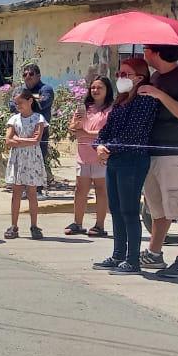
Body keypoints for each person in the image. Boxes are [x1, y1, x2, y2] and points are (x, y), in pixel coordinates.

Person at [139, 44, 178, 278]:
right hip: (152, 150)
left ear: (156, 52)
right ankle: (154, 253)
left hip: (175, 152)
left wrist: (160, 95)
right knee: (156, 206)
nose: (143, 53)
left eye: (146, 49)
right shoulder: (156, 76)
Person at [92, 58, 161, 275]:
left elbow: (132, 135)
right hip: (115, 159)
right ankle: (118, 254)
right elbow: (106, 130)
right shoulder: (120, 101)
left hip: (132, 159)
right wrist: (99, 145)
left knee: (129, 211)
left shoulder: (145, 101)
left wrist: (107, 147)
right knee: (116, 210)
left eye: (126, 74)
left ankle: (133, 260)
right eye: (119, 73)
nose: (121, 78)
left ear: (140, 78)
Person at [65, 77, 113, 237]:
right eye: (93, 87)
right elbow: (73, 129)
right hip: (83, 154)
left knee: (101, 190)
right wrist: (76, 125)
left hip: (101, 156)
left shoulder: (111, 110)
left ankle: (99, 225)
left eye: (99, 87)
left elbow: (106, 133)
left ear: (107, 90)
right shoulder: (84, 108)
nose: (95, 90)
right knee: (80, 190)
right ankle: (77, 223)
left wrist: (85, 133)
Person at [4, 88, 47, 240]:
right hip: (18, 159)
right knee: (16, 193)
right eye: (16, 103)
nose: (18, 106)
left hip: (32, 159)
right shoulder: (14, 119)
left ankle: (34, 225)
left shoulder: (39, 118)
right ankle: (13, 226)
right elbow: (8, 140)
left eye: (21, 102)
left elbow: (37, 140)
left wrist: (19, 140)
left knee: (32, 193)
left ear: (30, 101)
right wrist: (26, 141)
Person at [15, 64, 54, 182]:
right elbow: (12, 105)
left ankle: (38, 189)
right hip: (21, 129)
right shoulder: (20, 90)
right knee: (22, 160)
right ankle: (24, 187)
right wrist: (32, 100)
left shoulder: (46, 89)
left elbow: (42, 104)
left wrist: (24, 101)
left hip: (39, 130)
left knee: (39, 158)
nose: (28, 77)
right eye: (25, 74)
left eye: (31, 74)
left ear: (38, 76)